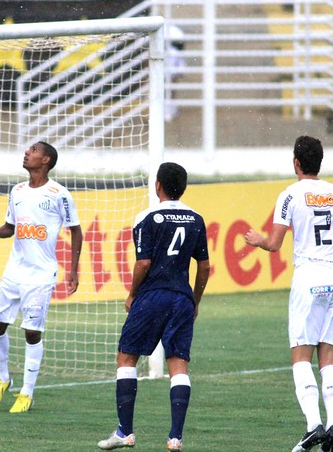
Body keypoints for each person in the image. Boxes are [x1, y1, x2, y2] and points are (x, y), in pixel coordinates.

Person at [244, 136, 333, 452]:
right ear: (319, 162)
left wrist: (257, 240)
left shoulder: (290, 195)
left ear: (296, 162)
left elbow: (274, 244)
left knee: (301, 357)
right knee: (330, 359)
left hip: (309, 278)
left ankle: (313, 425)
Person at [97, 162, 210, 452]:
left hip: (152, 296)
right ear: (182, 187)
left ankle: (125, 432)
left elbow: (143, 262)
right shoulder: (196, 218)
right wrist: (194, 300)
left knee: (126, 359)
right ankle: (175, 438)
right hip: (181, 298)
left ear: (157, 185)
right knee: (179, 366)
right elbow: (205, 266)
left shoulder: (146, 217)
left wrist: (132, 294)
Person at [0, 141, 82, 413]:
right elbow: (10, 227)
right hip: (14, 271)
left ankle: (26, 393)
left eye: (34, 151)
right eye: (28, 151)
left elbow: (76, 231)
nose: (27, 153)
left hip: (40, 274)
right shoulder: (16, 191)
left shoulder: (59, 194)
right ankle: (3, 378)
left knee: (31, 331)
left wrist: (73, 270)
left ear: (46, 160)